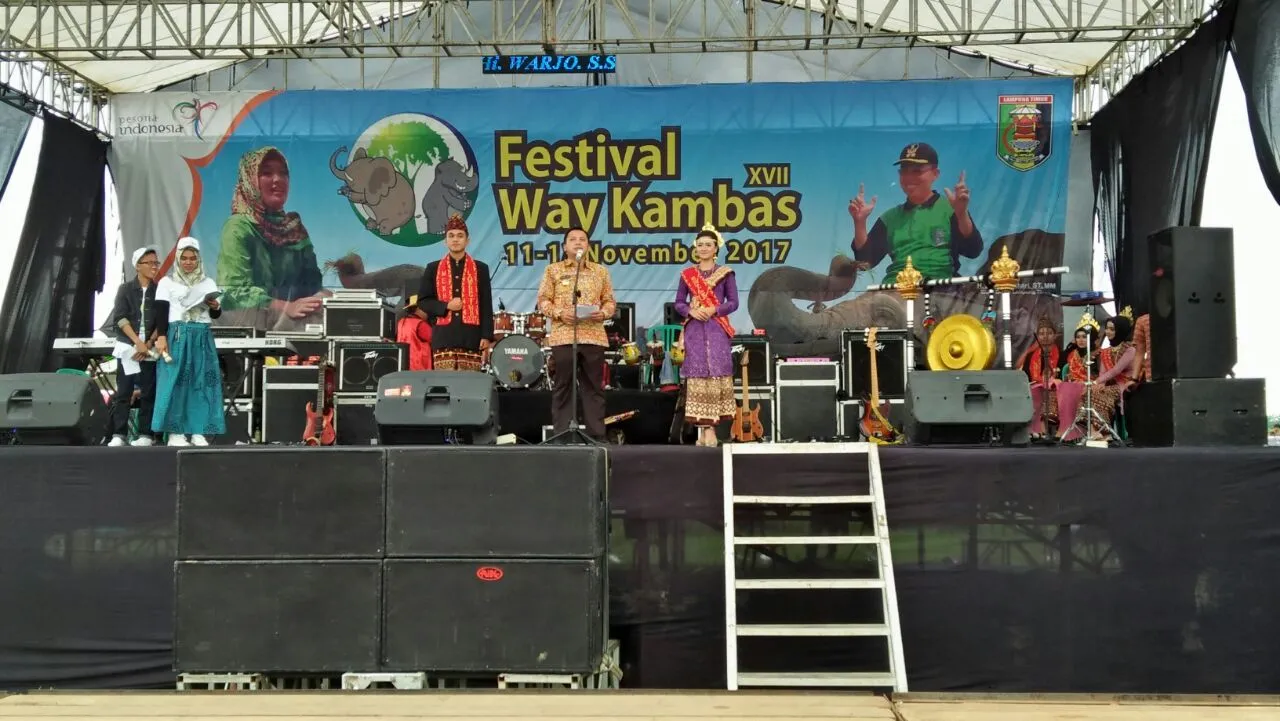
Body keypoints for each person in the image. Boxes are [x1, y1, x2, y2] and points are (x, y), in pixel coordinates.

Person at [216, 146, 328, 331]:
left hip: (289, 325)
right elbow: (234, 292)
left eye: (283, 174)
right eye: (267, 173)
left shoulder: (295, 230)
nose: (278, 180)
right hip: (249, 325)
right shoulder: (238, 227)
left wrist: (323, 299)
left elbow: (312, 284)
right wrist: (286, 307)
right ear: (250, 180)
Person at [849, 142, 983, 280]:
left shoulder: (949, 209)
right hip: (895, 286)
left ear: (935, 174)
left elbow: (973, 250)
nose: (909, 177)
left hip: (940, 286)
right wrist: (859, 222)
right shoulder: (890, 218)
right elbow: (864, 263)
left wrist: (961, 214)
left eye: (917, 171)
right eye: (904, 171)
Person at [537, 227, 617, 440]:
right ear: (564, 247)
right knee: (564, 385)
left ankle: (596, 437)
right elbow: (543, 300)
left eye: (582, 239)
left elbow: (609, 300)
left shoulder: (600, 271)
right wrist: (560, 313)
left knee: (594, 388)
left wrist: (603, 313)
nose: (578, 242)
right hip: (564, 336)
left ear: (588, 246)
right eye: (572, 239)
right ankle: (562, 436)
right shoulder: (553, 270)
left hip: (593, 336)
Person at [151, 238, 226, 447]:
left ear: (198, 259)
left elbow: (215, 314)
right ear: (178, 258)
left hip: (201, 335)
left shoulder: (207, 283)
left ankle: (198, 431)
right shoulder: (167, 282)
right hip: (177, 334)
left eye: (192, 258)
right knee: (175, 383)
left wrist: (215, 306)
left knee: (201, 383)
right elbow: (160, 312)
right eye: (184, 258)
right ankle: (175, 432)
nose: (188, 262)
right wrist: (161, 337)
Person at [673, 224, 740, 447]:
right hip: (694, 331)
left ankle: (710, 429)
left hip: (716, 328)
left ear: (716, 248)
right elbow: (679, 302)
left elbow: (733, 302)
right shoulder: (687, 275)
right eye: (699, 244)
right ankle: (702, 430)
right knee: (697, 377)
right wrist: (690, 311)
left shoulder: (726, 274)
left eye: (708, 245)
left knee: (715, 376)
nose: (703, 248)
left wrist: (714, 309)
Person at [415, 214, 494, 370]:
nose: (455, 239)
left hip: (472, 339)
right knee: (445, 383)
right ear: (445, 241)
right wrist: (446, 306)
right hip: (444, 338)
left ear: (467, 240)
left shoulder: (480, 268)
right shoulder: (433, 268)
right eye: (451, 236)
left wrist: (486, 336)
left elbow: (486, 304)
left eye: (460, 235)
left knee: (469, 384)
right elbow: (423, 301)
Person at [107, 247, 162, 447]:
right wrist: (137, 343)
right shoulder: (125, 289)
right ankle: (119, 434)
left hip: (149, 349)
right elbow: (120, 318)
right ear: (138, 266)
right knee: (124, 392)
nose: (154, 266)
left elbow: (162, 321)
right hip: (128, 347)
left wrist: (147, 344)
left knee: (148, 392)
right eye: (150, 263)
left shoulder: (160, 290)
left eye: (156, 262)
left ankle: (145, 434)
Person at [1016, 315, 1062, 442]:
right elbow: (1025, 377)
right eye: (1041, 334)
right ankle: (1035, 430)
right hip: (1035, 386)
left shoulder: (1062, 354)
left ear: (1055, 335)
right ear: (1037, 336)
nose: (1045, 336)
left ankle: (1044, 429)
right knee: (1034, 391)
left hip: (1056, 387)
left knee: (1048, 391)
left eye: (1049, 333)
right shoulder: (1031, 356)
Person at [397, 294, 434, 371]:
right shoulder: (420, 324)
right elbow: (436, 340)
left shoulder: (401, 322)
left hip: (403, 367)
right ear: (419, 308)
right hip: (419, 369)